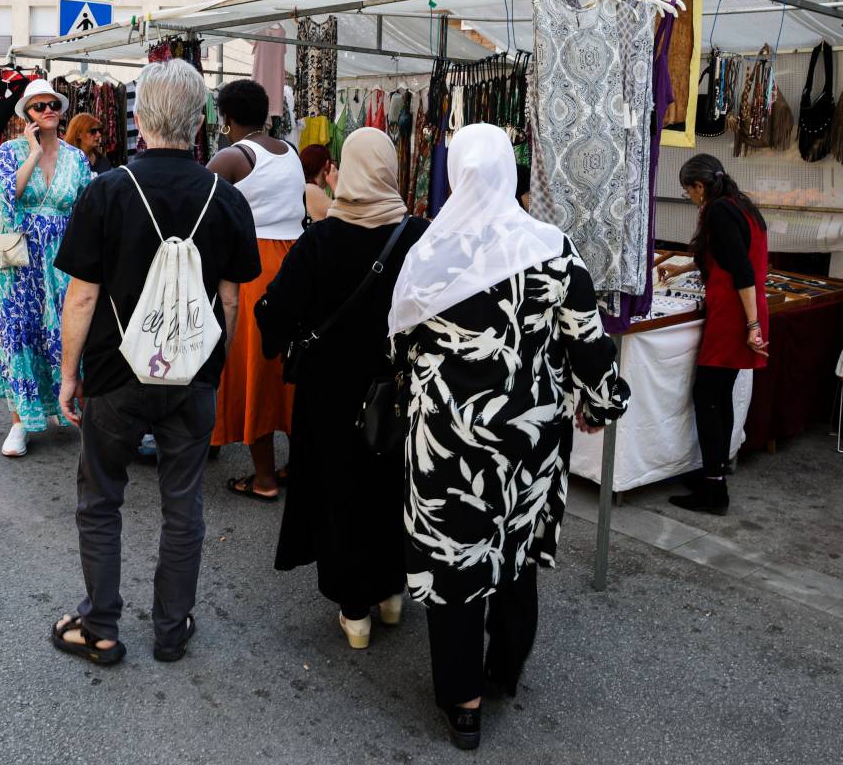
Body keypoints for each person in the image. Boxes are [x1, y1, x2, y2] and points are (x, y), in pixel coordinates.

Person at [388, 124, 630, 750]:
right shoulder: (552, 249)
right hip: (529, 436)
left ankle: (463, 705)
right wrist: (601, 403)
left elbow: (399, 348)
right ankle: (503, 670)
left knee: (454, 561)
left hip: (446, 440)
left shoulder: (431, 252)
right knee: (514, 550)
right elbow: (589, 342)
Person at [51, 58, 260, 666]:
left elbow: (81, 297)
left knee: (101, 499)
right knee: (183, 503)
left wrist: (69, 374)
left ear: (139, 119)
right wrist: (213, 367)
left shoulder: (107, 191)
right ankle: (171, 628)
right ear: (200, 123)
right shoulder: (227, 199)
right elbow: (230, 301)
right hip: (192, 375)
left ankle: (100, 626)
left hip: (115, 374)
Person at [257, 128, 427, 649]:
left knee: (342, 492)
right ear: (390, 170)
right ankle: (392, 593)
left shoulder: (320, 240)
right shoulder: (419, 237)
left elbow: (278, 312)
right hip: (399, 392)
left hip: (330, 394)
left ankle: (356, 612)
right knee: (393, 487)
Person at [207, 78, 304, 501]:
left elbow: (198, 206)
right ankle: (296, 465)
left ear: (227, 118)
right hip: (295, 261)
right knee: (290, 369)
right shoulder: (290, 152)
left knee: (254, 371)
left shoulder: (232, 156)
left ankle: (264, 478)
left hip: (254, 267)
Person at [660, 155, 769, 516]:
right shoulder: (740, 205)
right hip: (740, 311)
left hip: (733, 315)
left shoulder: (719, 210)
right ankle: (714, 475)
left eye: (688, 191)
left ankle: (714, 490)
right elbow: (723, 255)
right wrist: (677, 268)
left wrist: (752, 326)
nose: (689, 198)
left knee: (707, 396)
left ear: (700, 186)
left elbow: (741, 270)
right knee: (719, 396)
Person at [0, 79, 92, 457]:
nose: (48, 110)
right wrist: (33, 152)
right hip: (17, 258)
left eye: (53, 105)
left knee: (67, 331)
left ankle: (75, 411)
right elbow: (6, 195)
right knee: (19, 333)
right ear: (26, 115)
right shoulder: (9, 151)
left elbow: (86, 208)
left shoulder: (76, 158)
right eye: (39, 106)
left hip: (63, 258)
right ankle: (20, 422)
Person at [299, 143, 337, 222]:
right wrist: (335, 186)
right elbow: (344, 216)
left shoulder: (305, 186)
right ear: (327, 165)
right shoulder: (311, 188)